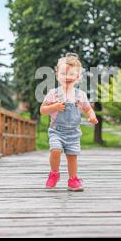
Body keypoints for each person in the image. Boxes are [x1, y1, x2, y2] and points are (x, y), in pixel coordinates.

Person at [40, 53, 98, 191]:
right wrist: (54, 107)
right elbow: (42, 110)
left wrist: (92, 116)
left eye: (72, 74)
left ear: (78, 77)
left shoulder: (80, 95)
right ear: (57, 75)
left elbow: (88, 109)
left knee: (72, 157)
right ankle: (54, 173)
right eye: (63, 73)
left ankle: (73, 180)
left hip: (73, 133)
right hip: (56, 130)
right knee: (55, 150)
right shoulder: (53, 93)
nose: (67, 77)